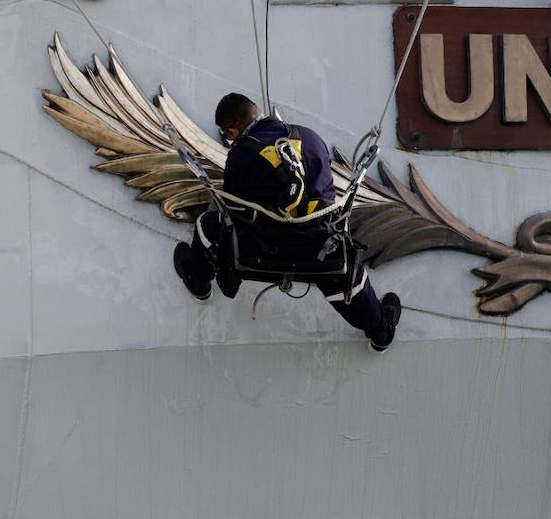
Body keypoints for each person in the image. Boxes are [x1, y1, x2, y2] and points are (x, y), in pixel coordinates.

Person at [172, 93, 403, 352]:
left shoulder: (240, 156)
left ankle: (200, 286)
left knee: (207, 225)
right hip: (319, 251)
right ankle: (380, 334)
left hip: (260, 251)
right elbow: (326, 191)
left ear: (233, 129)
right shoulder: (312, 138)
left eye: (227, 135)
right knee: (346, 275)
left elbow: (234, 207)